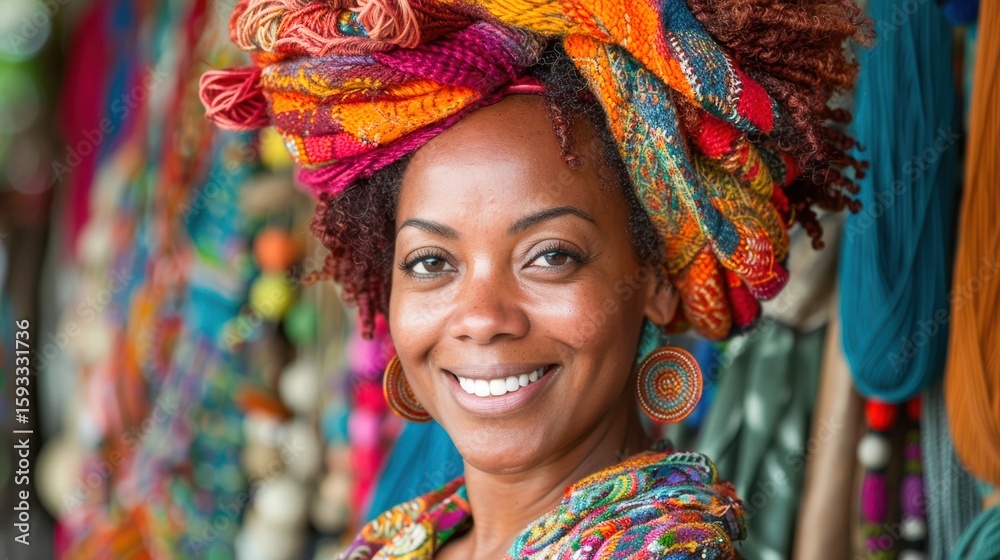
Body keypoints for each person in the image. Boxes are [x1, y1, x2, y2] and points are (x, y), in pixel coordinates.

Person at [200, 0, 871, 557]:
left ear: (659, 278)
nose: (482, 315)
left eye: (550, 256)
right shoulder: (409, 536)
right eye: (433, 263)